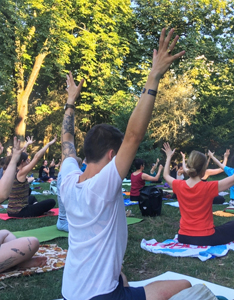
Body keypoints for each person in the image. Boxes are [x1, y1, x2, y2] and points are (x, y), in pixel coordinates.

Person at [59, 29, 190, 300]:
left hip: (70, 292)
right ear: (110, 155)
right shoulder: (104, 185)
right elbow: (134, 135)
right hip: (101, 297)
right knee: (184, 287)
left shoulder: (68, 178)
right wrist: (154, 76)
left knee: (122, 277)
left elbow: (66, 139)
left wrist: (70, 101)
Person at [162, 136, 234, 246]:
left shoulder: (178, 185)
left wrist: (169, 156)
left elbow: (165, 175)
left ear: (188, 166)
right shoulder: (208, 187)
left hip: (183, 237)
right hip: (205, 238)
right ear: (203, 169)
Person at [0, 137, 47, 272]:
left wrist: (17, 156)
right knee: (32, 243)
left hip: (15, 209)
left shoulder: (17, 172)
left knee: (6, 233)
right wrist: (15, 159)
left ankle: (15, 260)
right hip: (18, 210)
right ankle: (17, 262)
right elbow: (2, 194)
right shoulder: (20, 172)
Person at [7, 137, 57, 217]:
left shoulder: (14, 169)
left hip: (11, 210)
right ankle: (39, 211)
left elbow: (19, 155)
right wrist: (48, 144)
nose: (29, 161)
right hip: (20, 212)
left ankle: (37, 209)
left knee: (32, 198)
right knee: (52, 202)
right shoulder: (21, 173)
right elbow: (36, 157)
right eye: (27, 160)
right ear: (22, 162)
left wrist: (27, 144)